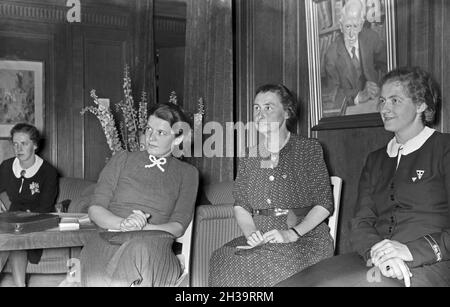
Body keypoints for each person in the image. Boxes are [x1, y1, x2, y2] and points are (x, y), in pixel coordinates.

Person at [277, 67, 450, 287]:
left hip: (432, 262)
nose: (385, 108)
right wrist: (377, 253)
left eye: (395, 100)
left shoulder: (445, 148)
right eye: (382, 101)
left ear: (421, 104)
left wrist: (410, 252)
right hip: (376, 260)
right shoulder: (376, 159)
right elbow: (361, 222)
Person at [208, 84, 335, 287]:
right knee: (222, 257)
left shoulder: (308, 149)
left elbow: (324, 204)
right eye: (256, 108)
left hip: (304, 239)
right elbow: (241, 204)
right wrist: (251, 234)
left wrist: (291, 234)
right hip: (262, 238)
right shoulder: (251, 155)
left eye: (268, 108)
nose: (260, 114)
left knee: (258, 264)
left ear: (287, 112)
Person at [80, 103, 199, 287]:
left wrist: (143, 228)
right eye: (149, 129)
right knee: (93, 251)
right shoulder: (122, 159)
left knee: (139, 249)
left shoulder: (187, 173)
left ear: (177, 139)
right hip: (109, 238)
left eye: (161, 133)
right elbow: (95, 209)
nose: (151, 137)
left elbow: (178, 227)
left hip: (154, 247)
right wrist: (123, 224)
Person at [0, 123, 59, 287]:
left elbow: (46, 207)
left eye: (24, 143)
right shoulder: (6, 166)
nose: (18, 148)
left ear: (35, 145)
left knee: (15, 240)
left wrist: (22, 220)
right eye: (15, 144)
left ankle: (20, 285)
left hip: (38, 220)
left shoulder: (48, 172)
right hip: (11, 220)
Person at [324, 0, 387, 113]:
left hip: (376, 102)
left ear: (361, 25)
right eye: (348, 27)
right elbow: (333, 95)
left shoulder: (372, 38)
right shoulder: (331, 55)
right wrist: (359, 96)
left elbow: (389, 65)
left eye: (355, 26)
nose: (352, 34)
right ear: (341, 27)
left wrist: (383, 87)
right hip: (352, 108)